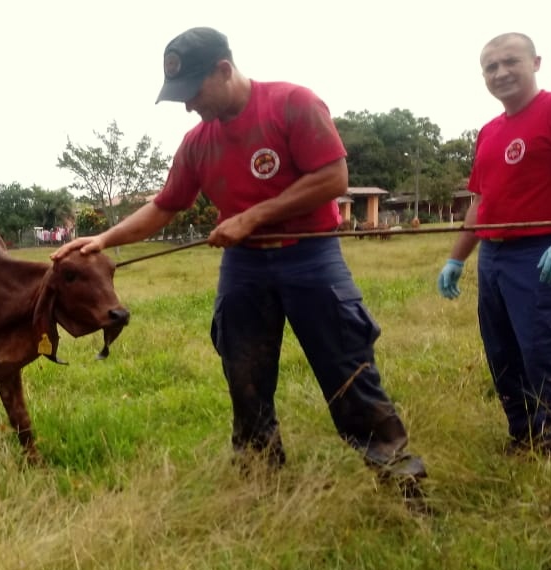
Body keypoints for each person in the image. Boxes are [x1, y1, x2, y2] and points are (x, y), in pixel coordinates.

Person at [52, 27, 426, 492]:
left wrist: (252, 217)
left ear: (224, 70)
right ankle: (259, 480)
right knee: (244, 373)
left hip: (310, 255)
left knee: (346, 367)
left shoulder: (293, 104)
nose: (189, 106)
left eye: (194, 92)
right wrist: (104, 238)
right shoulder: (197, 142)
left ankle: (399, 478)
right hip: (244, 266)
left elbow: (332, 177)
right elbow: (165, 206)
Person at [437, 32, 551, 456]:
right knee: (502, 351)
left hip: (541, 252)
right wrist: (456, 259)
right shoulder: (488, 132)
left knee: (541, 350)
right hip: (493, 256)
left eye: (510, 62)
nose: (500, 72)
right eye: (491, 67)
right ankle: (525, 435)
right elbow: (481, 202)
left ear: (535, 63)